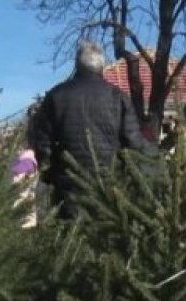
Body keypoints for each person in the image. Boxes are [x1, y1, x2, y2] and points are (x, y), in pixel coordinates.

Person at [28, 40, 153, 219]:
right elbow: (133, 143)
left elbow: (42, 144)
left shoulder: (56, 96)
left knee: (70, 241)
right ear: (102, 66)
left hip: (67, 187)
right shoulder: (118, 97)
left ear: (77, 65)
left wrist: (50, 175)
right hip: (109, 187)